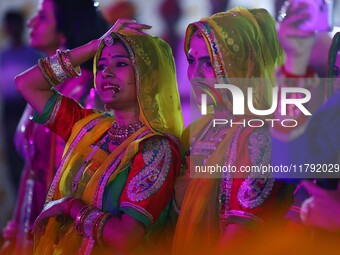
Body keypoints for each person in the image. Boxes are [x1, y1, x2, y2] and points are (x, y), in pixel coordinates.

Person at [15, 18, 183, 254]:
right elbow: (26, 84)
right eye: (101, 65)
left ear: (151, 77)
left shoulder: (155, 148)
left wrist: (70, 207)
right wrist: (95, 45)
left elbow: (125, 238)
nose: (107, 73)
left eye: (121, 64)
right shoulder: (87, 127)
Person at [172, 6, 287, 254]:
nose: (196, 75)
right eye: (192, 61)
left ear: (241, 67)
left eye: (210, 63)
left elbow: (241, 237)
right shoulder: (199, 130)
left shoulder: (259, 135)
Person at [1, 0, 106, 253]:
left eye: (42, 17)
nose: (31, 23)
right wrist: (15, 230)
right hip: (33, 213)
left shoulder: (86, 92)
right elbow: (31, 168)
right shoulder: (50, 88)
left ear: (64, 27)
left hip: (63, 226)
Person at [0, 9, 42, 191]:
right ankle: (20, 202)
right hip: (9, 110)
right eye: (8, 25)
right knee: (13, 156)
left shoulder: (33, 54)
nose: (11, 28)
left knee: (33, 153)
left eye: (14, 24)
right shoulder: (3, 57)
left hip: (30, 108)